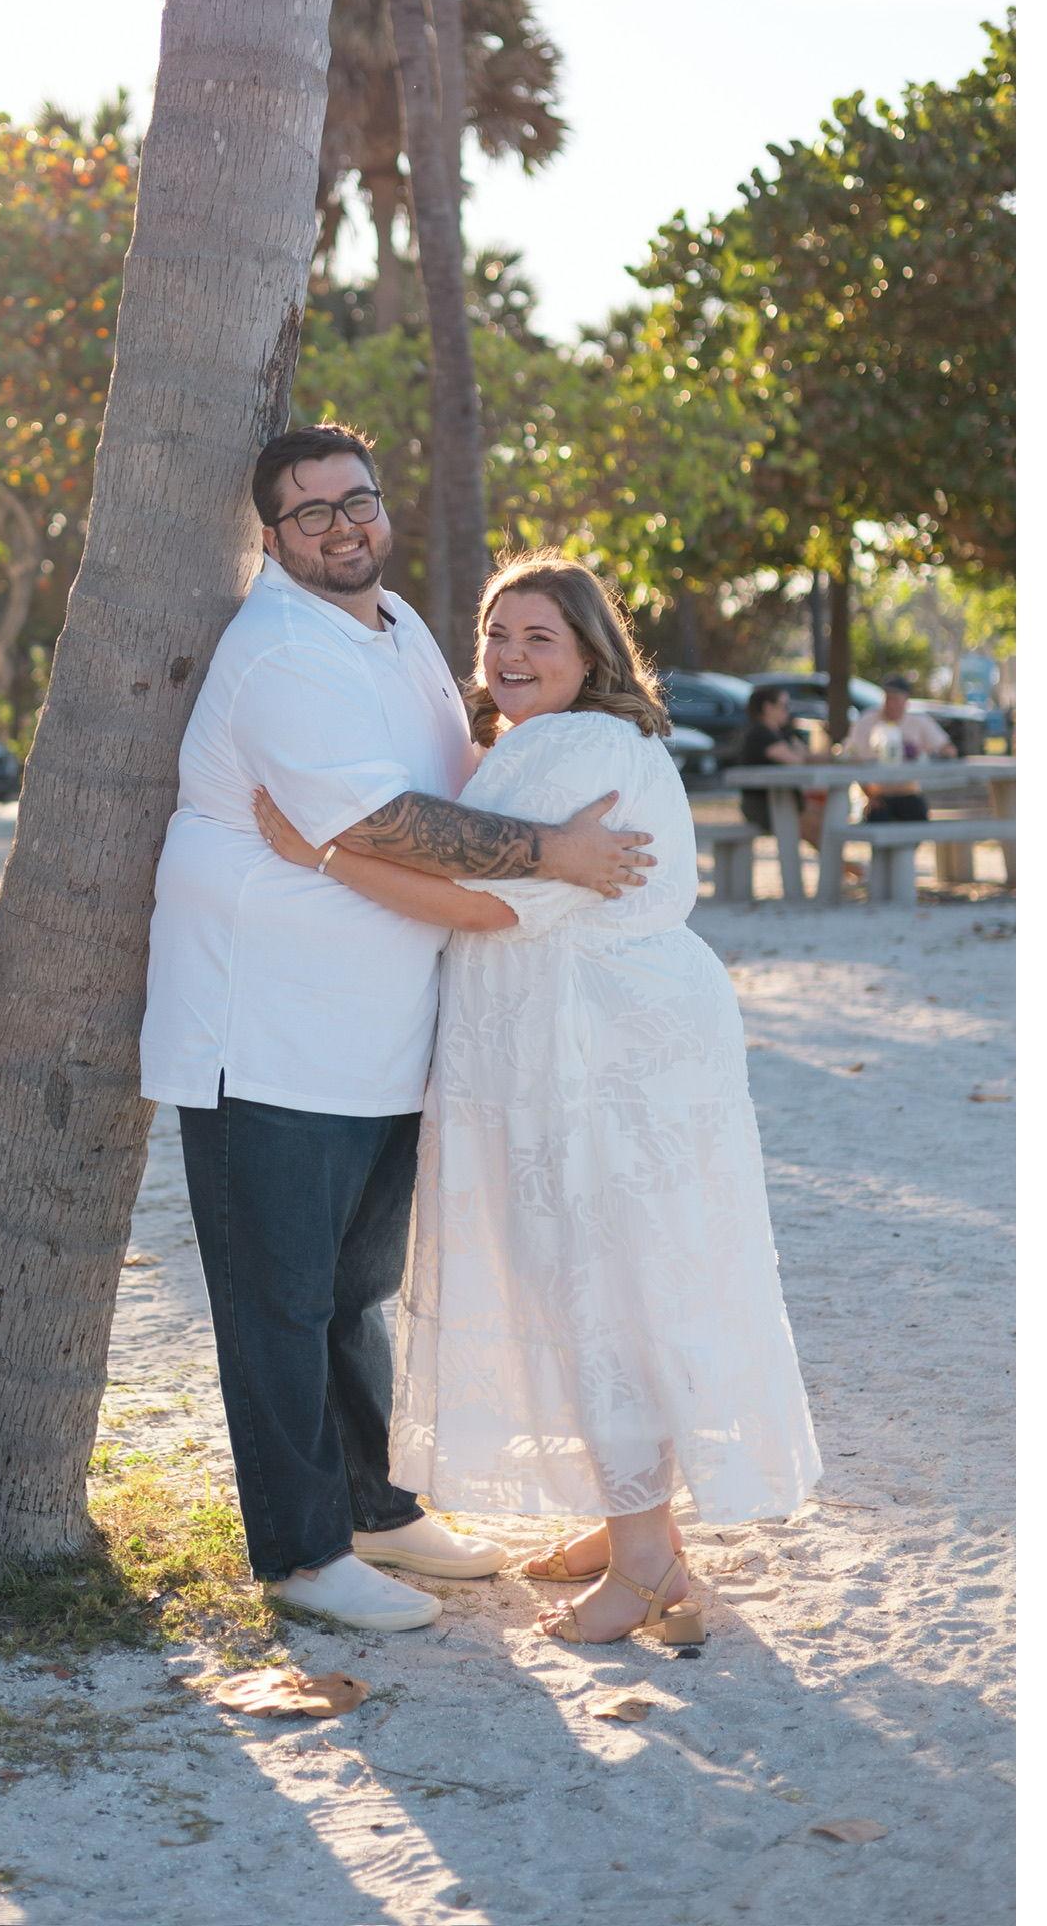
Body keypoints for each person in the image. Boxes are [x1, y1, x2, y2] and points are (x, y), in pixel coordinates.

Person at [139, 425, 657, 1636]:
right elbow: (381, 822)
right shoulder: (279, 652)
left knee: (354, 1287)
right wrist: (555, 852)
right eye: (309, 511)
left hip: (386, 1027)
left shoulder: (401, 624)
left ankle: (375, 1509)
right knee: (278, 1304)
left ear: (381, 506)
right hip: (265, 1029)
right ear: (273, 536)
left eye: (355, 500)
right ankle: (303, 1555)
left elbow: (459, 766)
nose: (341, 526)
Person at [251, 553, 820, 1648]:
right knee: (618, 1279)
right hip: (608, 1038)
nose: (510, 656)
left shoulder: (571, 749)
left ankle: (646, 1564)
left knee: (592, 1286)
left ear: (592, 653)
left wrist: (318, 854)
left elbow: (482, 905)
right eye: (497, 635)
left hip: (591, 1051)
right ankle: (637, 1526)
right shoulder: (560, 743)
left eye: (539, 638)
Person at [844, 673, 957, 823]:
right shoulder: (867, 721)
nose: (891, 704)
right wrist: (869, 795)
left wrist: (931, 754)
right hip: (875, 794)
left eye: (896, 699)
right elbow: (851, 756)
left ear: (906, 701)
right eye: (888, 698)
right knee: (877, 818)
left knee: (918, 817)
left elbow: (948, 749)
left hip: (907, 792)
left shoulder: (918, 721)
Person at [733, 683, 827, 850]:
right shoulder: (760, 734)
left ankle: (844, 864)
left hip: (786, 802)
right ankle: (845, 865)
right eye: (784, 706)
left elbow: (805, 755)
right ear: (768, 708)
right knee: (818, 827)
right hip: (765, 806)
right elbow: (796, 760)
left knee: (825, 818)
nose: (788, 711)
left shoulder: (780, 733)